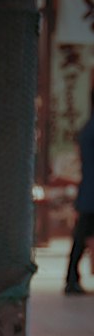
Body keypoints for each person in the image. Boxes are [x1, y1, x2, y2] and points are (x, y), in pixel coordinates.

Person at [65, 86, 94, 295]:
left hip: (88, 193)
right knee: (81, 237)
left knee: (80, 238)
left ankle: (72, 278)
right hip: (91, 193)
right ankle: (72, 278)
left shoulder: (88, 127)